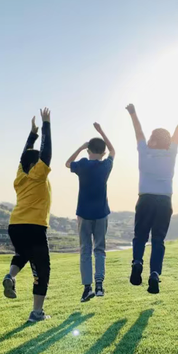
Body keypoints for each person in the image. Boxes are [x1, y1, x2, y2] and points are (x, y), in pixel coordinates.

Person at [126, 103, 178, 294]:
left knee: (140, 236)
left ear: (152, 141)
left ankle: (137, 262)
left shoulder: (144, 152)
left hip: (145, 199)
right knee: (158, 240)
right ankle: (154, 274)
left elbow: (138, 131)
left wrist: (133, 113)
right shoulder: (171, 153)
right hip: (164, 201)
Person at [2, 107, 52, 323]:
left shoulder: (20, 174)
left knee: (23, 254)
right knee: (42, 268)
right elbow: (47, 153)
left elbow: (25, 154)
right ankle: (37, 313)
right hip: (34, 226)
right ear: (35, 164)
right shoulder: (38, 175)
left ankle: (10, 276)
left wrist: (33, 134)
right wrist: (47, 125)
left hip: (16, 225)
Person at [66, 123, 115, 302]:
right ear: (103, 152)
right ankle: (99, 285)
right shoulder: (106, 166)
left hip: (84, 214)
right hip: (101, 213)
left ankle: (87, 288)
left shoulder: (83, 165)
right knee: (99, 249)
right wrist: (102, 131)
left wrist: (81, 147)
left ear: (88, 150)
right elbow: (113, 151)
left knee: (85, 250)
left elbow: (67, 163)